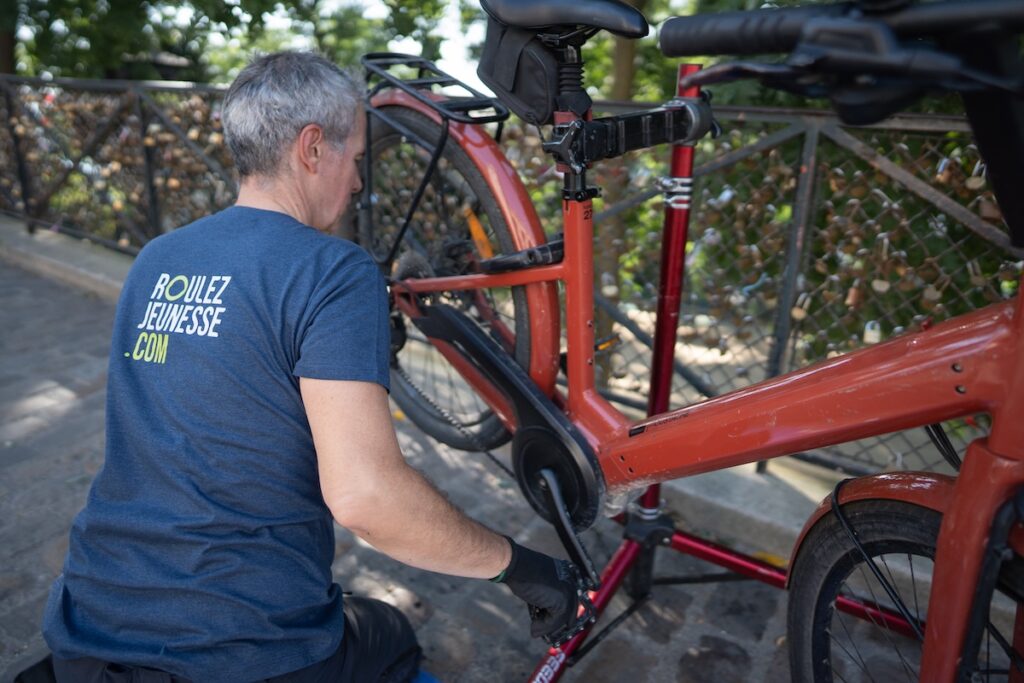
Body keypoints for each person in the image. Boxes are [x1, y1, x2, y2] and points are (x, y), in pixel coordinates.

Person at [41, 51, 579, 683]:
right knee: (391, 636)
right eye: (354, 161)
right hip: (241, 650)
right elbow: (367, 500)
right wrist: (523, 567)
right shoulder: (333, 269)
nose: (355, 184)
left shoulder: (157, 258)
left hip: (90, 619)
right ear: (312, 147)